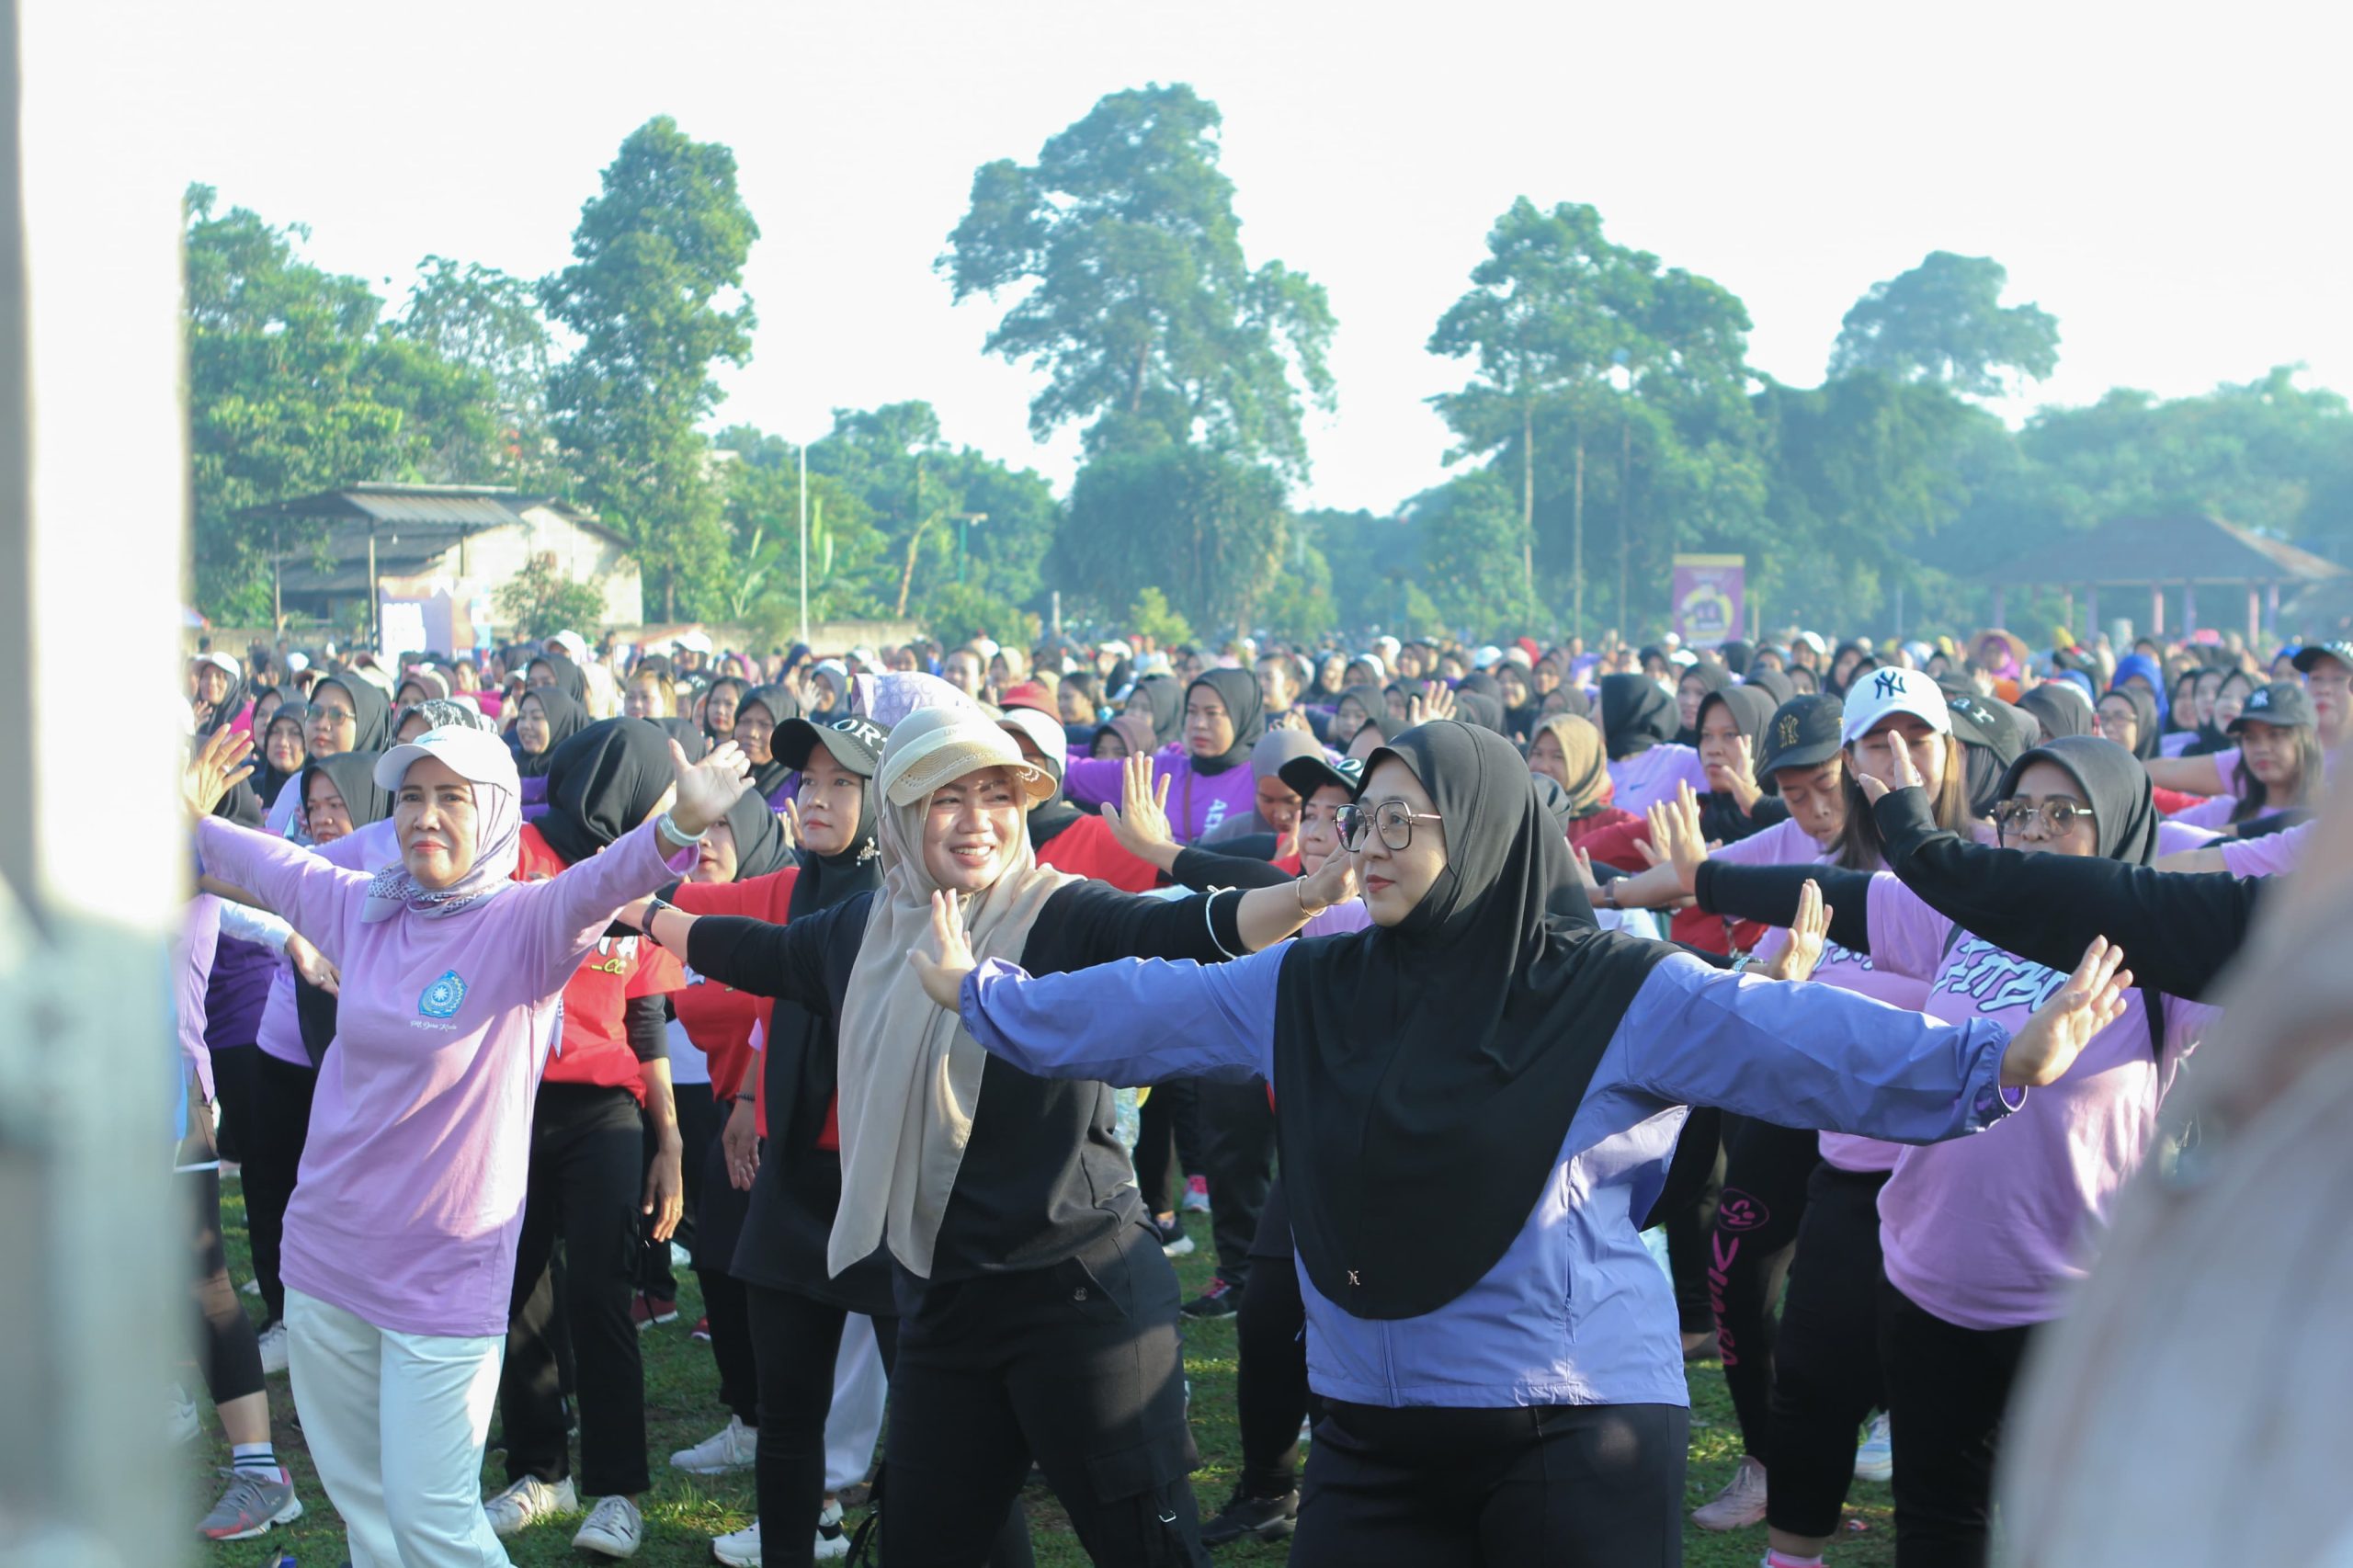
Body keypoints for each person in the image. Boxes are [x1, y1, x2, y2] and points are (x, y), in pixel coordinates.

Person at [912, 719, 2129, 1566]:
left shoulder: (1606, 985)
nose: (1366, 845)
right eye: (1360, 820)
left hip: (1571, 1426)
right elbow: (1143, 1005)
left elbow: (1790, 1037)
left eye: (1401, 820)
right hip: (1370, 1435)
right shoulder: (1312, 980)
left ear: (1484, 832)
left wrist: (1994, 1062)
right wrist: (986, 997)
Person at [633, 704, 1357, 1564]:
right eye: (948, 798)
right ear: (901, 811)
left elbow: (1182, 929)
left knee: (1145, 1550)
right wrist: (637, 904)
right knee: (929, 1546)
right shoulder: (868, 930)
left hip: (1078, 1299)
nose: (979, 820)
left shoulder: (1060, 915)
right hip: (942, 1300)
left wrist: (1309, 894)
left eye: (998, 795)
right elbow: (746, 947)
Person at [183, 721, 750, 1568]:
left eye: (452, 798)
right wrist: (183, 817)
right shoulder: (365, 906)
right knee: (367, 1512)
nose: (425, 817)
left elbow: (602, 883)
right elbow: (270, 864)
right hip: (328, 1259)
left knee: (434, 1519)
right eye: (411, 797)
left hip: (444, 1275)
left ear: (490, 814)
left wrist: (677, 828)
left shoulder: (524, 925)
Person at [1688, 733, 2213, 1568]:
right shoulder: (1968, 917)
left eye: (2061, 812)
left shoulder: (2168, 961)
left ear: (2113, 824)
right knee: (1939, 1522)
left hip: (2072, 1307)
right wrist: (1703, 877)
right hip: (1926, 1280)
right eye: (2017, 811)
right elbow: (1837, 893)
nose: (2032, 830)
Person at [487, 719, 699, 1555]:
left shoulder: (644, 869)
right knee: (518, 1291)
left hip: (604, 1112)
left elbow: (646, 1018)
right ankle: (539, 1470)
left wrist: (669, 1141)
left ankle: (617, 1490)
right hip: (510, 1102)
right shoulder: (520, 855)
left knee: (601, 1294)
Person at [1062, 669, 1270, 842]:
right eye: (1192, 711)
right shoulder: (1158, 771)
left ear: (1242, 715)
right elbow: (1075, 773)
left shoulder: (1263, 780)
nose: (1199, 724)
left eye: (1212, 713)